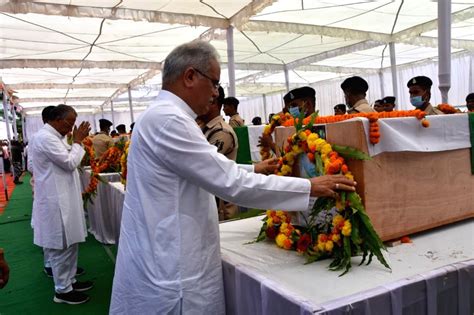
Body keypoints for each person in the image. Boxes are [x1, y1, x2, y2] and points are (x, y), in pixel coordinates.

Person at [110, 40, 356, 314]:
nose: (215, 93)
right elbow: (230, 183)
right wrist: (309, 186)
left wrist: (255, 169)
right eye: (214, 83)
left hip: (167, 249)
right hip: (173, 265)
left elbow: (202, 169)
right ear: (190, 76)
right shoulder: (170, 120)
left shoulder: (163, 116)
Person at [31, 105, 93, 305]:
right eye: (69, 123)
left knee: (70, 242)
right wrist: (77, 142)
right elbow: (69, 162)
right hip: (56, 201)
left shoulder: (54, 137)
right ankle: (62, 291)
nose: (71, 128)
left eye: (74, 124)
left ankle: (70, 281)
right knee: (61, 246)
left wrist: (75, 142)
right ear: (56, 119)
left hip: (64, 198)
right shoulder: (45, 138)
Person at [197, 86, 239, 220]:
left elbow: (203, 166)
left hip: (221, 208)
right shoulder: (205, 127)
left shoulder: (221, 132)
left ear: (213, 102)